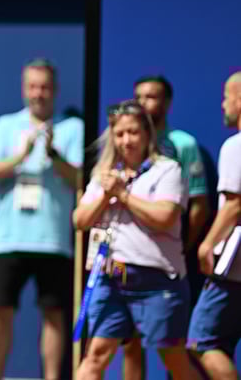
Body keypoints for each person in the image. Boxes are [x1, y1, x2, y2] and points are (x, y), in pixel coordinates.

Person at [73, 99, 197, 380]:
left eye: (133, 132)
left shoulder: (167, 170)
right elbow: (80, 221)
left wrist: (124, 195)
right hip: (111, 277)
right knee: (95, 355)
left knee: (174, 359)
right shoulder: (104, 175)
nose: (126, 141)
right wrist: (106, 196)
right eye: (119, 134)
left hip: (157, 280)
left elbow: (164, 217)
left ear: (147, 134)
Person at [0, 58, 83, 380]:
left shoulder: (72, 128)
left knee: (53, 313)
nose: (38, 93)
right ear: (24, 89)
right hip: (9, 238)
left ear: (55, 89)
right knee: (1, 310)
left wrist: (53, 154)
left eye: (45, 87)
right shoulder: (5, 125)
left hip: (52, 239)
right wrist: (21, 155)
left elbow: (79, 180)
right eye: (33, 87)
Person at [122, 75, 211, 380]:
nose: (143, 103)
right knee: (130, 342)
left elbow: (199, 206)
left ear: (167, 102)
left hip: (169, 264)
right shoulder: (127, 143)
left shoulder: (184, 145)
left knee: (173, 346)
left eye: (151, 97)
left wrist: (184, 247)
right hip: (129, 258)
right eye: (138, 97)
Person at [187, 71, 241, 380]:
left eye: (226, 96)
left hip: (233, 269)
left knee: (202, 341)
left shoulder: (235, 146)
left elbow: (234, 204)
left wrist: (207, 244)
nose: (222, 105)